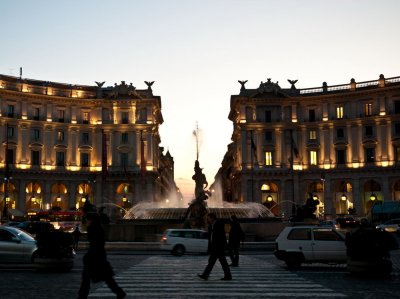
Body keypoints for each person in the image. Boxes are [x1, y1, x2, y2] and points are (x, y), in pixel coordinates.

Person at [78, 212, 126, 299]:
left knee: (89, 278)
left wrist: (89, 255)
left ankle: (82, 296)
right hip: (98, 256)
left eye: (87, 219)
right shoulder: (98, 228)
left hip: (95, 257)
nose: (86, 221)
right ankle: (119, 292)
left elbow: (95, 243)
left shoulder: (93, 229)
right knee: (106, 278)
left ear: (91, 220)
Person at [198, 213, 232, 281]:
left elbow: (222, 236)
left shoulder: (219, 224)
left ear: (212, 218)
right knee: (212, 262)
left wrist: (223, 246)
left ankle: (228, 276)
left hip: (219, 247)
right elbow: (211, 237)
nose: (208, 219)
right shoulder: (211, 225)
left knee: (222, 262)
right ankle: (205, 275)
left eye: (209, 218)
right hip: (214, 247)